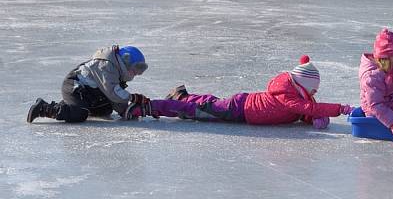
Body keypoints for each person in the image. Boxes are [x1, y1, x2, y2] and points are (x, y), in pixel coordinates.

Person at [125, 56, 352, 129]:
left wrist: (314, 119)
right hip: (240, 110)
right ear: (303, 85)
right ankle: (153, 106)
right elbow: (306, 108)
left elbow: (306, 110)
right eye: (313, 89)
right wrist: (340, 109)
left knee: (208, 103)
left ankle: (182, 95)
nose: (314, 94)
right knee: (198, 111)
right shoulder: (289, 96)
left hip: (242, 104)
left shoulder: (296, 95)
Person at [27, 45, 150, 124]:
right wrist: (133, 98)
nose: (135, 74)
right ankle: (44, 108)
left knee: (105, 109)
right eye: (135, 69)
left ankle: (69, 105)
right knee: (79, 114)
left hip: (90, 93)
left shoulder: (116, 69)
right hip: (74, 86)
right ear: (126, 60)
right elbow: (112, 92)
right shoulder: (107, 66)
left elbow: (113, 95)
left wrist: (126, 110)